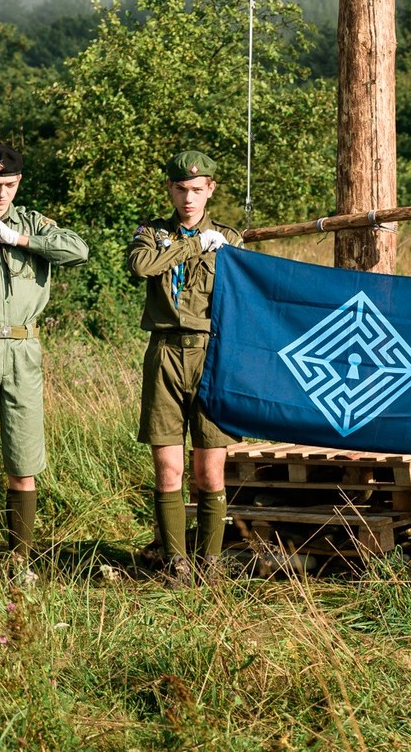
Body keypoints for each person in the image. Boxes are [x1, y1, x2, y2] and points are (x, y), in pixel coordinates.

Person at [0, 143, 88, 575]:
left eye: (9, 185)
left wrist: (20, 239)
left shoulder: (35, 224)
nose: (1, 193)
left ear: (19, 183)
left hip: (24, 348)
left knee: (23, 462)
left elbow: (78, 251)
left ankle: (20, 561)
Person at [127, 150, 242, 585]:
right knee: (168, 467)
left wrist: (224, 249)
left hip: (212, 355)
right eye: (180, 189)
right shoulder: (151, 234)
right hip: (165, 352)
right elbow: (142, 267)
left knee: (209, 469)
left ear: (210, 188)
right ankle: (176, 562)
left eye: (197, 190)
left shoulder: (230, 239)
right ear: (170, 190)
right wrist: (193, 243)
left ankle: (209, 563)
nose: (188, 198)